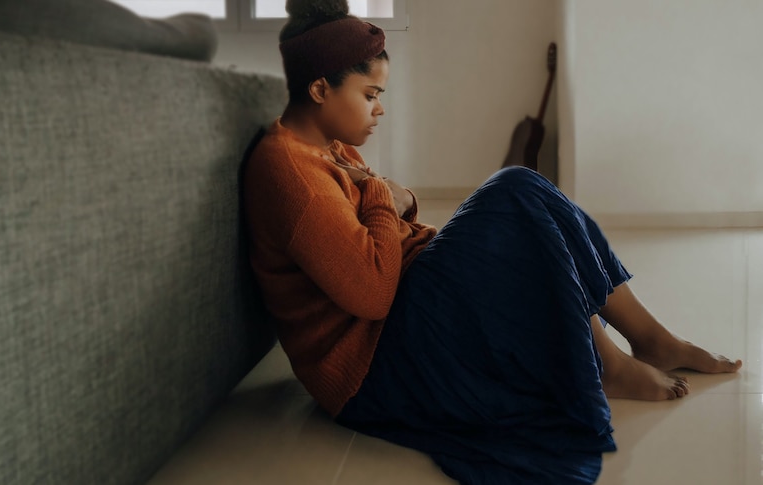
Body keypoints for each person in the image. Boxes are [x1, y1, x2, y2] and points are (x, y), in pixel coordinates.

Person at [242, 1, 742, 483]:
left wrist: (401, 202)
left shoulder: (327, 145)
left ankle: (650, 340)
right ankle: (607, 366)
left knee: (520, 189)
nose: (380, 111)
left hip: (400, 312)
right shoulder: (290, 172)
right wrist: (378, 192)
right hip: (371, 366)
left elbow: (386, 219)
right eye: (370, 95)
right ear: (319, 88)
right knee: (513, 192)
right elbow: (371, 293)